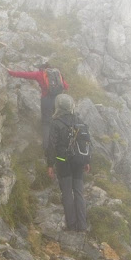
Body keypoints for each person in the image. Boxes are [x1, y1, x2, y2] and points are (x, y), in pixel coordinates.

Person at [46, 93, 90, 232]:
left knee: (66, 192)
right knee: (78, 192)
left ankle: (71, 225)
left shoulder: (56, 122)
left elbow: (51, 145)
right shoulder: (79, 120)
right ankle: (82, 226)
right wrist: (86, 161)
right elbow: (86, 142)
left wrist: (50, 164)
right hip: (79, 160)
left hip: (62, 160)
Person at [5, 62, 69, 150]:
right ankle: (61, 146)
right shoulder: (57, 74)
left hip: (46, 100)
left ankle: (47, 148)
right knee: (58, 121)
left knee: (46, 123)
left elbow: (25, 75)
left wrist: (11, 72)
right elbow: (66, 86)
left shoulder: (40, 74)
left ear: (41, 68)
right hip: (58, 100)